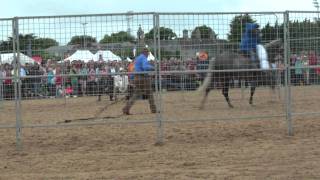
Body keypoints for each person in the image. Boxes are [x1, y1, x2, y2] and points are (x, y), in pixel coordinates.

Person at [122, 48, 157, 115]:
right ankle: (153, 109)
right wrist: (153, 67)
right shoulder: (144, 58)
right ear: (146, 53)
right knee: (150, 93)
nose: (148, 55)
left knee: (136, 94)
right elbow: (145, 67)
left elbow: (135, 68)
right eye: (148, 53)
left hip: (136, 77)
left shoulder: (138, 58)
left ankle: (126, 108)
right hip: (143, 77)